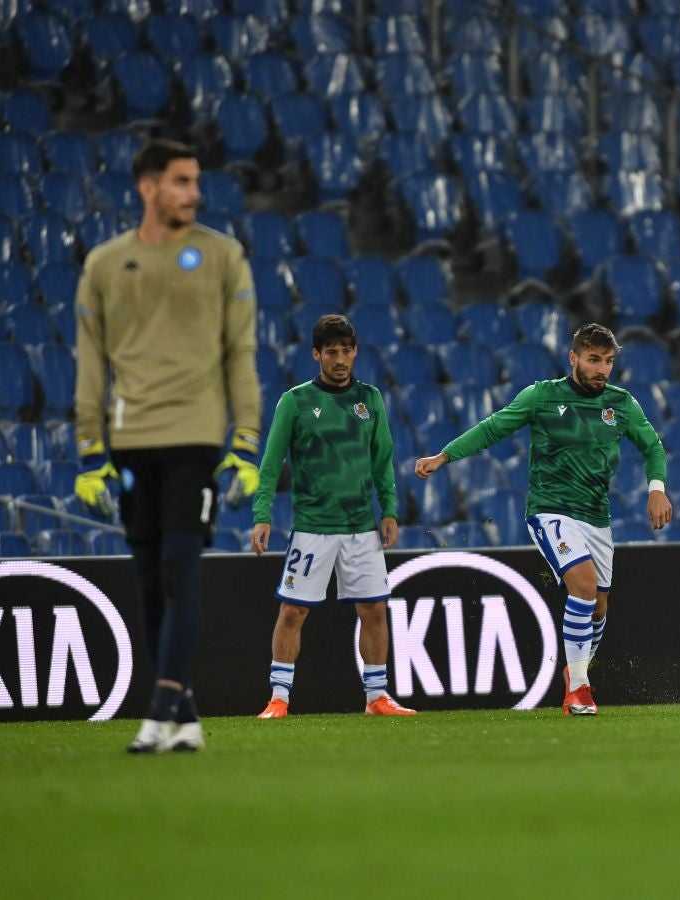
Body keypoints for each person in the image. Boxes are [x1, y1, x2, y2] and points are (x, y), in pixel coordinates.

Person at [74, 139, 261, 753]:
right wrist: (89, 449)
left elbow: (242, 351)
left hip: (194, 439)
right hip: (130, 442)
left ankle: (158, 711)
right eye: (181, 181)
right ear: (147, 187)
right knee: (151, 580)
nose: (194, 193)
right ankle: (185, 717)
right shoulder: (104, 263)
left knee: (180, 573)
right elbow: (90, 361)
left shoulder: (222, 255)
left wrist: (245, 440)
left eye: (195, 181)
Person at [414, 323, 671, 716]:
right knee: (583, 587)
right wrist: (443, 456)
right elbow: (492, 428)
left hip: (595, 516)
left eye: (608, 361)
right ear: (573, 358)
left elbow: (652, 446)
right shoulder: (542, 396)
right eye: (593, 360)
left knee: (599, 608)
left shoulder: (621, 404)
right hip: (550, 510)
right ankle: (579, 689)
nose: (602, 369)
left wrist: (657, 488)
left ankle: (576, 671)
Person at [251, 314, 414, 719]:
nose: (340, 359)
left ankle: (377, 697)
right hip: (313, 528)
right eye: (331, 352)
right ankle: (279, 698)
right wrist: (262, 514)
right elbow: (271, 464)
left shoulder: (370, 398)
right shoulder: (296, 401)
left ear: (355, 352)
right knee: (292, 611)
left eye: (346, 351)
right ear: (316, 355)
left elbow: (383, 461)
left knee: (374, 610)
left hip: (361, 527)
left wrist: (389, 510)